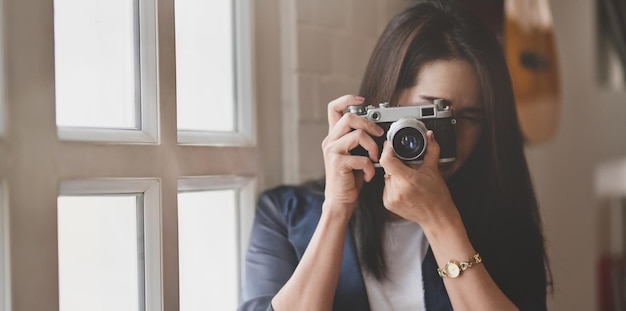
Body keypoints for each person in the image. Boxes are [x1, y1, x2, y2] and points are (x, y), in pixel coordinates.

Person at [240, 0, 550, 310]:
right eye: (434, 113)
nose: (449, 138)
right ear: (386, 106)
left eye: (469, 118)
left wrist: (442, 224)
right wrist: (336, 211)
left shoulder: (505, 225)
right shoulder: (284, 215)